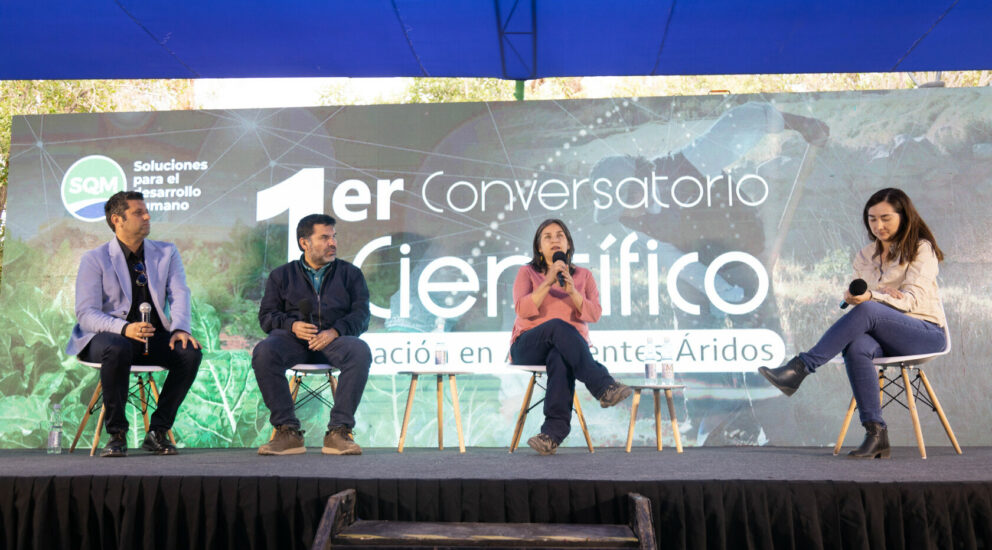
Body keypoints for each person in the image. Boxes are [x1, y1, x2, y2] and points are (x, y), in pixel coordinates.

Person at [759, 188, 947, 459]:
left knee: (870, 308)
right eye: (872, 219)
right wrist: (858, 298)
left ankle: (800, 367)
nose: (878, 226)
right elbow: (868, 301)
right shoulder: (865, 255)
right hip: (884, 334)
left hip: (924, 332)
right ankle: (876, 433)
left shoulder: (921, 248)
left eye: (885, 218)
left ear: (904, 216)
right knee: (857, 345)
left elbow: (912, 301)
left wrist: (874, 298)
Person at [66, 191, 202, 457]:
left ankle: (158, 431)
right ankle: (116, 434)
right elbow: (86, 313)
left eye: (146, 210)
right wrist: (124, 328)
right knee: (118, 347)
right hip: (106, 337)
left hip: (152, 335)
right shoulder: (95, 258)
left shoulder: (166, 252)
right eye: (139, 212)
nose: (147, 216)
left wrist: (180, 328)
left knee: (189, 352)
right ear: (117, 219)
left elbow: (180, 293)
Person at [510, 218, 633, 455]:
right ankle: (603, 386)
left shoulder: (584, 276)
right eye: (547, 237)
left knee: (560, 354)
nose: (554, 240)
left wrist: (572, 292)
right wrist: (548, 281)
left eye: (560, 236)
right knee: (558, 326)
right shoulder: (527, 273)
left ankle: (552, 434)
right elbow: (522, 310)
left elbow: (594, 314)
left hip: (566, 349)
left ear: (568, 244)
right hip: (527, 344)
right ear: (539, 247)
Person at [252, 214, 372, 456]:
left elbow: (361, 316)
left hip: (334, 342)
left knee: (360, 351)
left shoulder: (351, 274)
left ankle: (339, 431)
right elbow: (266, 317)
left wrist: (336, 331)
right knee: (264, 352)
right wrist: (291, 325)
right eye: (325, 237)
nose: (333, 243)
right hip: (293, 342)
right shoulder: (281, 275)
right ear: (304, 243)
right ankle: (287, 431)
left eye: (334, 237)